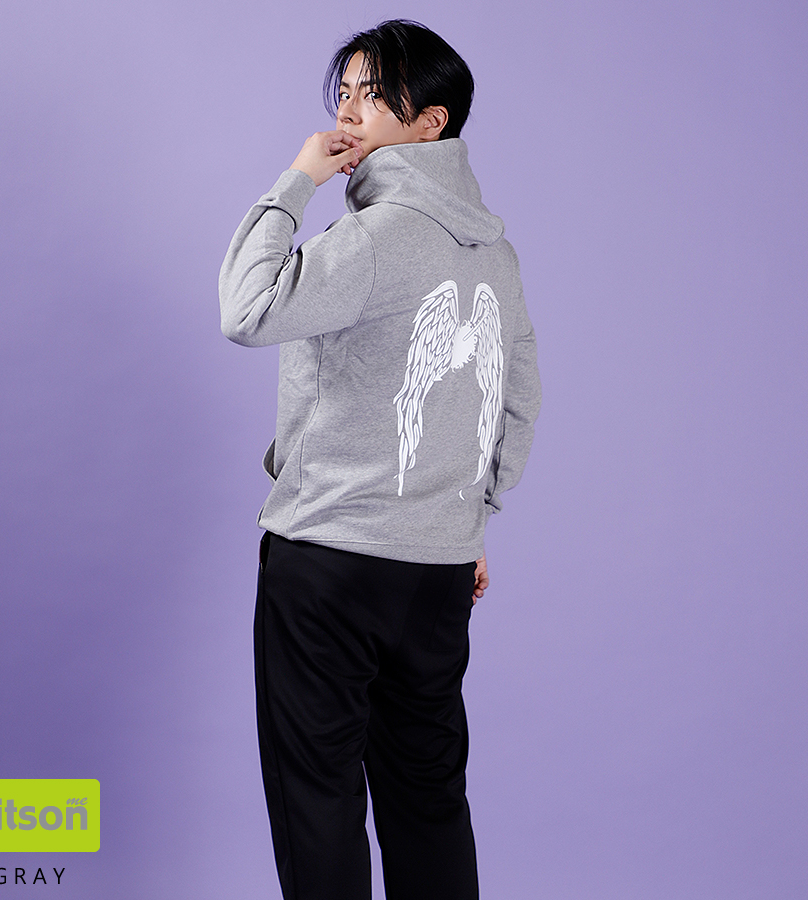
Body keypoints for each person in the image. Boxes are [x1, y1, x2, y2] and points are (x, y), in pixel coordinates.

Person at [218, 19, 541, 900]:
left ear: (431, 122)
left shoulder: (370, 237)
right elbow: (515, 402)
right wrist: (470, 521)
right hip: (437, 569)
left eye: (374, 94)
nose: (348, 113)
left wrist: (296, 182)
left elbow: (245, 310)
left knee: (318, 796)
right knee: (428, 795)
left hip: (328, 559)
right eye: (345, 93)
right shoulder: (496, 254)